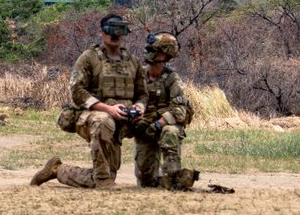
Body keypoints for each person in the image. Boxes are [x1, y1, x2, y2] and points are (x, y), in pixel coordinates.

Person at [31, 13, 147, 189]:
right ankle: (102, 180)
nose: (115, 35)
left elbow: (143, 94)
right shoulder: (89, 58)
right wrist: (108, 109)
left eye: (120, 30)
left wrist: (139, 106)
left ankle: (57, 170)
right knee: (103, 121)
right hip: (92, 116)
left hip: (122, 121)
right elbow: (77, 91)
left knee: (106, 173)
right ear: (102, 32)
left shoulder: (132, 61)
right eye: (111, 30)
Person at [133, 32, 199, 190]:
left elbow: (180, 111)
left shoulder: (172, 78)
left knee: (170, 132)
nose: (149, 53)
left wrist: (158, 124)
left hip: (165, 125)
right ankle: (160, 179)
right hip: (144, 127)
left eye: (154, 50)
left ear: (164, 55)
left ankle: (173, 178)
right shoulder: (139, 75)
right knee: (145, 181)